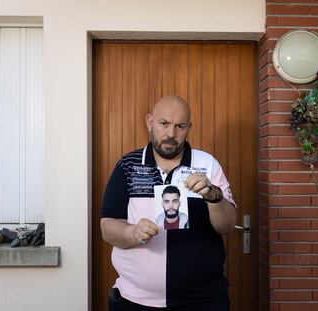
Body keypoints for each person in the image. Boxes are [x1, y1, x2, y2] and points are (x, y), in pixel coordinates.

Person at [101, 95, 237, 311]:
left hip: (202, 300)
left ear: (189, 127)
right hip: (134, 301)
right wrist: (133, 233)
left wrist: (213, 195)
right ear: (149, 122)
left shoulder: (207, 164)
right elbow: (107, 228)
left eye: (180, 126)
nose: (171, 134)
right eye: (164, 123)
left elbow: (227, 225)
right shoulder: (128, 165)